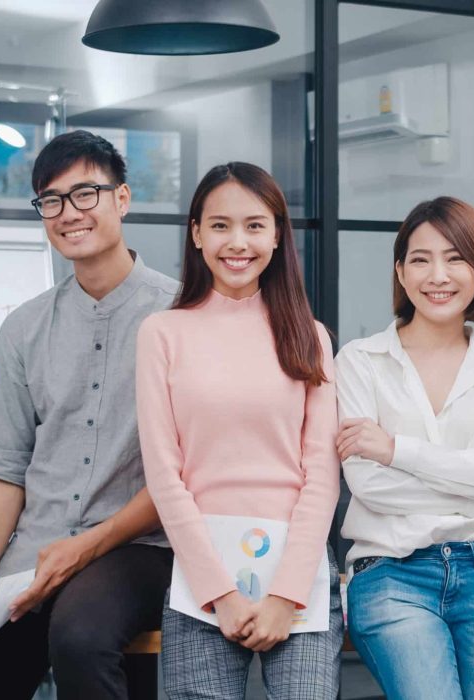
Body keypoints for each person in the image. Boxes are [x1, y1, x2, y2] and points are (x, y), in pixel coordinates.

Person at [0, 130, 177, 699]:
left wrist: (86, 548)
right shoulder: (24, 328)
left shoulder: (180, 315)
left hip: (138, 549)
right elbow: (6, 466)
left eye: (85, 193)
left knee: (80, 637)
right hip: (35, 554)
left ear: (122, 199)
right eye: (51, 200)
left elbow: (187, 469)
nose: (68, 213)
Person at [136, 162, 341, 699]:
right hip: (204, 578)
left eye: (255, 225)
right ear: (197, 233)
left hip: (297, 576)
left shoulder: (310, 335)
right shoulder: (162, 333)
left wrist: (286, 595)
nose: (238, 242)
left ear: (277, 235)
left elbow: (321, 475)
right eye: (220, 225)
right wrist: (218, 593)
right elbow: (164, 474)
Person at [337, 196, 474, 700]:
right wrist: (473, 487)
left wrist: (396, 449)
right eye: (421, 260)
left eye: (455, 258)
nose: (438, 275)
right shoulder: (361, 361)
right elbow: (370, 485)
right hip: (390, 572)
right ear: (401, 273)